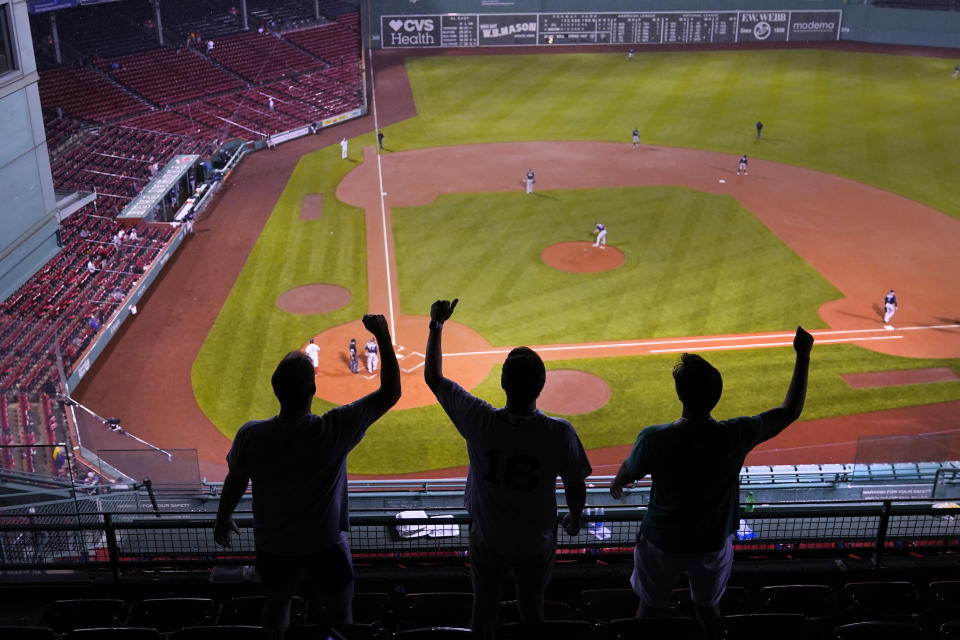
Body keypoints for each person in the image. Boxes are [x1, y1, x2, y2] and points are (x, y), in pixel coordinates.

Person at [610, 326, 813, 639]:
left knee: (648, 610)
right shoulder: (736, 434)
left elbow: (628, 471)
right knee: (708, 612)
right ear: (717, 395)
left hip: (660, 542)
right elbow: (790, 411)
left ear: (680, 394)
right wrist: (803, 354)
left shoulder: (654, 439)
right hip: (711, 544)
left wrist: (619, 482)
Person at [214, 314, 400, 640]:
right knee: (341, 615)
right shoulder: (332, 429)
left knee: (276, 609)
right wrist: (383, 335)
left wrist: (223, 516)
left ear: (276, 390)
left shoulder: (250, 435)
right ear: (313, 388)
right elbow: (390, 392)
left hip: (273, 544)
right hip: (325, 543)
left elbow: (236, 480)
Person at [424, 298, 591, 632]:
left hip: (488, 540)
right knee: (533, 612)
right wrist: (575, 514)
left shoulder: (480, 419)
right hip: (535, 542)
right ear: (541, 386)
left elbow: (433, 377)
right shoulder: (559, 432)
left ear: (503, 383)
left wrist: (437, 324)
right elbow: (576, 485)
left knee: (483, 613)